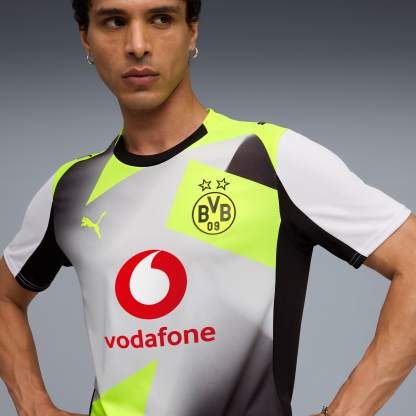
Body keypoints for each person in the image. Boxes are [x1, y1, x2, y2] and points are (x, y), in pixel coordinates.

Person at [0, 0, 415, 415]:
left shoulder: (265, 158)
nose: (137, 44)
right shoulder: (72, 188)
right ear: (86, 39)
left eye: (161, 19)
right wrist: (34, 406)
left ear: (192, 31)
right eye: (114, 22)